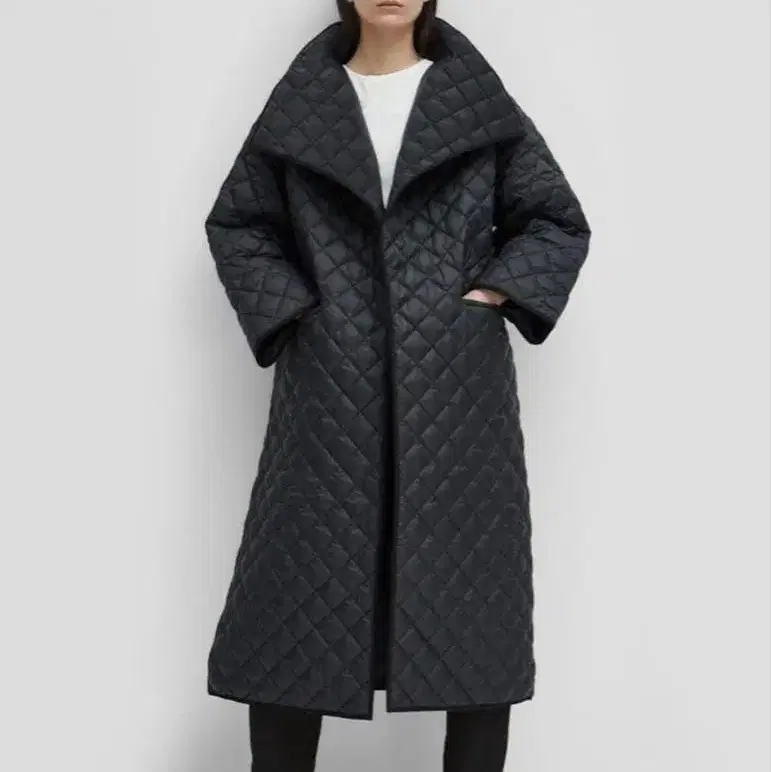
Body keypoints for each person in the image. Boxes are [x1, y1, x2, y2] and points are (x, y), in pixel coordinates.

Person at [203, 1, 591, 769]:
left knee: (473, 608)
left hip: (458, 391)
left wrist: (486, 300)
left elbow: (555, 220)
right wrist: (301, 317)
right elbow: (239, 225)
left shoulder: (474, 97)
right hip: (328, 388)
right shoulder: (305, 97)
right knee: (292, 600)